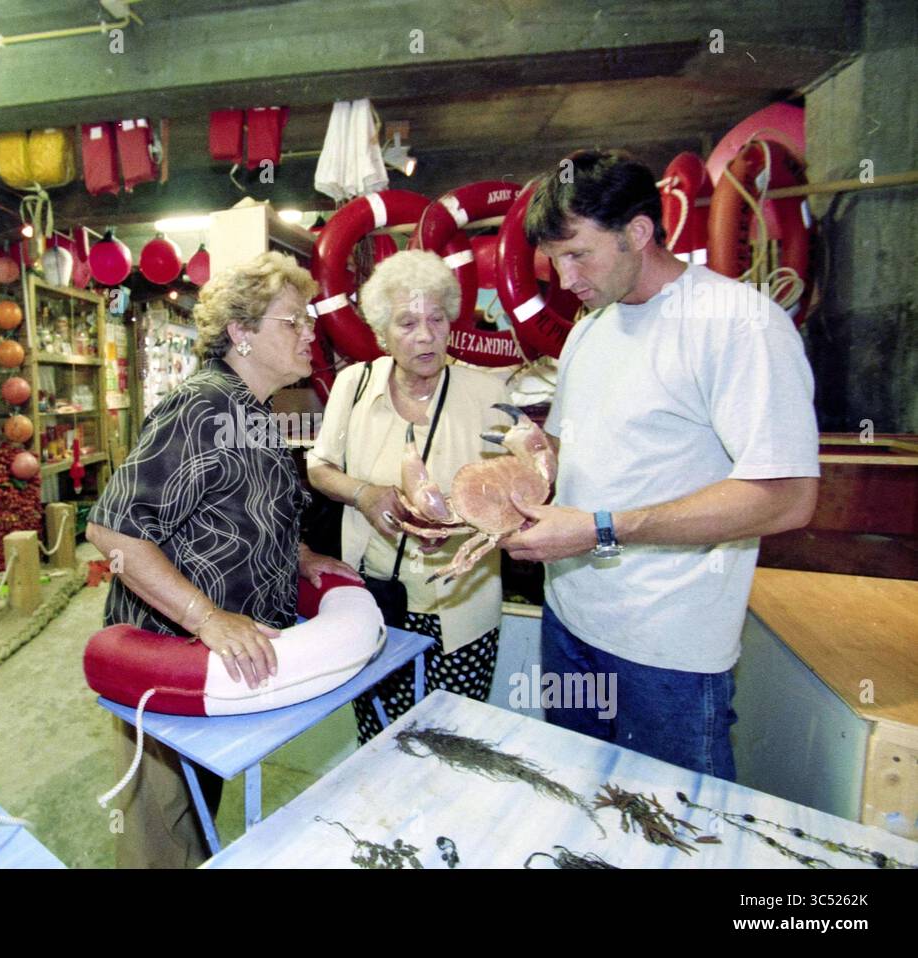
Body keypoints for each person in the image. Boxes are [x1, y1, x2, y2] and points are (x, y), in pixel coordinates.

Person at [500, 150, 820, 780]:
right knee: (580, 802)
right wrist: (535, 458)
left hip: (666, 647)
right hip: (570, 621)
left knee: (679, 829)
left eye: (578, 254)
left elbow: (787, 497)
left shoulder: (738, 324)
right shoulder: (589, 330)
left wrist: (603, 527)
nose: (564, 279)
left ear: (638, 233)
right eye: (555, 259)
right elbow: (574, 451)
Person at [86, 250, 359, 868]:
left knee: (201, 812)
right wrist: (206, 617)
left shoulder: (258, 411)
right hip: (166, 661)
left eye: (309, 319)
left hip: (226, 666)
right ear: (241, 333)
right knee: (162, 836)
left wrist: (302, 555)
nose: (309, 332)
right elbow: (112, 529)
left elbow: (253, 512)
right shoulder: (205, 407)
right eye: (292, 321)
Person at [307, 250, 514, 744]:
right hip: (379, 600)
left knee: (456, 742)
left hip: (462, 606)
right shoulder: (354, 386)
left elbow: (516, 490)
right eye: (406, 322)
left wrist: (473, 514)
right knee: (381, 740)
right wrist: (365, 494)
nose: (424, 335)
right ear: (381, 333)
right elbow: (318, 467)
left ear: (450, 322)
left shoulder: (488, 391)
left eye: (435, 319)